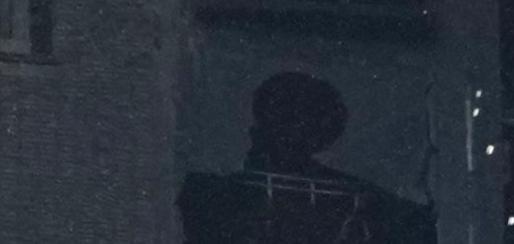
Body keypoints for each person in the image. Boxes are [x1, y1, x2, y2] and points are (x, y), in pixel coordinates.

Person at [177, 70, 431, 244]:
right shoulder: (216, 194)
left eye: (300, 121)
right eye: (285, 119)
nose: (292, 132)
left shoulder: (365, 201)